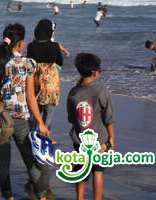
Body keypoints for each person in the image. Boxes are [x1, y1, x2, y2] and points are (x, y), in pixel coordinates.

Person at [0, 23, 50, 200]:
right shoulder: (28, 64)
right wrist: (41, 123)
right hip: (20, 119)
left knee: (3, 162)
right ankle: (42, 196)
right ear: (20, 43)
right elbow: (30, 97)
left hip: (0, 119)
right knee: (30, 161)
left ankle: (8, 196)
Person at [67, 53, 115, 200]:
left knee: (81, 172)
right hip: (99, 141)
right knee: (98, 172)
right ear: (95, 73)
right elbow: (108, 118)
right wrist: (111, 138)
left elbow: (71, 118)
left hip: (80, 141)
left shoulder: (73, 93)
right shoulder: (101, 91)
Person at [27, 19, 64, 130]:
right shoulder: (55, 46)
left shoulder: (31, 46)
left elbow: (29, 63)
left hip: (35, 85)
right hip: (51, 87)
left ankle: (32, 137)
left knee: (34, 115)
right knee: (48, 116)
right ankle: (45, 138)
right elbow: (60, 63)